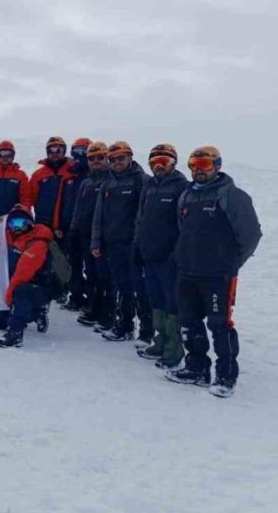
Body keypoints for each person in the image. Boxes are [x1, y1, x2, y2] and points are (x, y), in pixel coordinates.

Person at [165, 146, 261, 398]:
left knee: (220, 325)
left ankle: (226, 374)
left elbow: (250, 235)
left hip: (218, 276)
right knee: (190, 322)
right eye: (194, 164)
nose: (199, 170)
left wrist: (230, 264)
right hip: (187, 272)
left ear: (217, 166)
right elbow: (182, 229)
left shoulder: (232, 196)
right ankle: (197, 367)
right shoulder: (186, 195)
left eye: (205, 164)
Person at [133, 144, 190, 368]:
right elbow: (141, 219)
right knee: (155, 300)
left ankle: (173, 349)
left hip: (169, 257)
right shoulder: (149, 187)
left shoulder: (182, 187)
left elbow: (186, 225)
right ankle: (160, 341)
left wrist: (177, 252)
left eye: (164, 162)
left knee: (171, 303)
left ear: (174, 163)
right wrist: (138, 245)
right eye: (154, 162)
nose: (159, 166)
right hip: (150, 254)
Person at [91, 141, 152, 343]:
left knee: (141, 288)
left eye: (121, 158)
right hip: (113, 244)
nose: (117, 162)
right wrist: (96, 241)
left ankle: (146, 331)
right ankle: (125, 325)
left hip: (135, 245)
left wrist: (140, 242)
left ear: (130, 158)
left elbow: (146, 215)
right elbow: (98, 216)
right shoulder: (108, 183)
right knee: (123, 286)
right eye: (113, 159)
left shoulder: (142, 181)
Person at [0, 206, 57, 348]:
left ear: (29, 223)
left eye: (20, 223)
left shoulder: (37, 244)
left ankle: (16, 332)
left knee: (21, 290)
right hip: (20, 285)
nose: (16, 228)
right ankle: (36, 313)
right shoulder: (17, 239)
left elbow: (22, 275)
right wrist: (1, 222)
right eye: (12, 224)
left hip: (39, 288)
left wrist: (9, 297)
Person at [72, 142, 114, 331]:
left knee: (106, 277)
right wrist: (74, 227)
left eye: (100, 157)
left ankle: (109, 312)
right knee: (91, 273)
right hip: (85, 234)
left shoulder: (111, 181)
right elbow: (78, 207)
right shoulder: (87, 182)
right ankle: (94, 307)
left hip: (106, 237)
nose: (96, 161)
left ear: (107, 158)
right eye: (92, 158)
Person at [63, 138, 92, 309]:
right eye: (77, 152)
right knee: (73, 264)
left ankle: (92, 300)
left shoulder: (97, 175)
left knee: (91, 267)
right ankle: (76, 296)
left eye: (84, 151)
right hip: (69, 226)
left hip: (90, 228)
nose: (80, 155)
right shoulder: (69, 175)